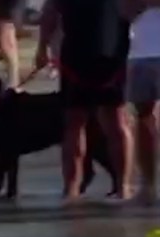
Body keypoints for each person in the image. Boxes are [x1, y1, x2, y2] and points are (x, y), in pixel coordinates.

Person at [36, 0, 133, 202]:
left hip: (110, 52)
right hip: (84, 53)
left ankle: (122, 186)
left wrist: (42, 46)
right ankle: (73, 187)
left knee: (111, 120)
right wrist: (42, 46)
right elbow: (51, 11)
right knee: (78, 122)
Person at [120, 0, 160, 204]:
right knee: (144, 116)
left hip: (144, 54)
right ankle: (148, 185)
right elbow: (123, 11)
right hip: (140, 52)